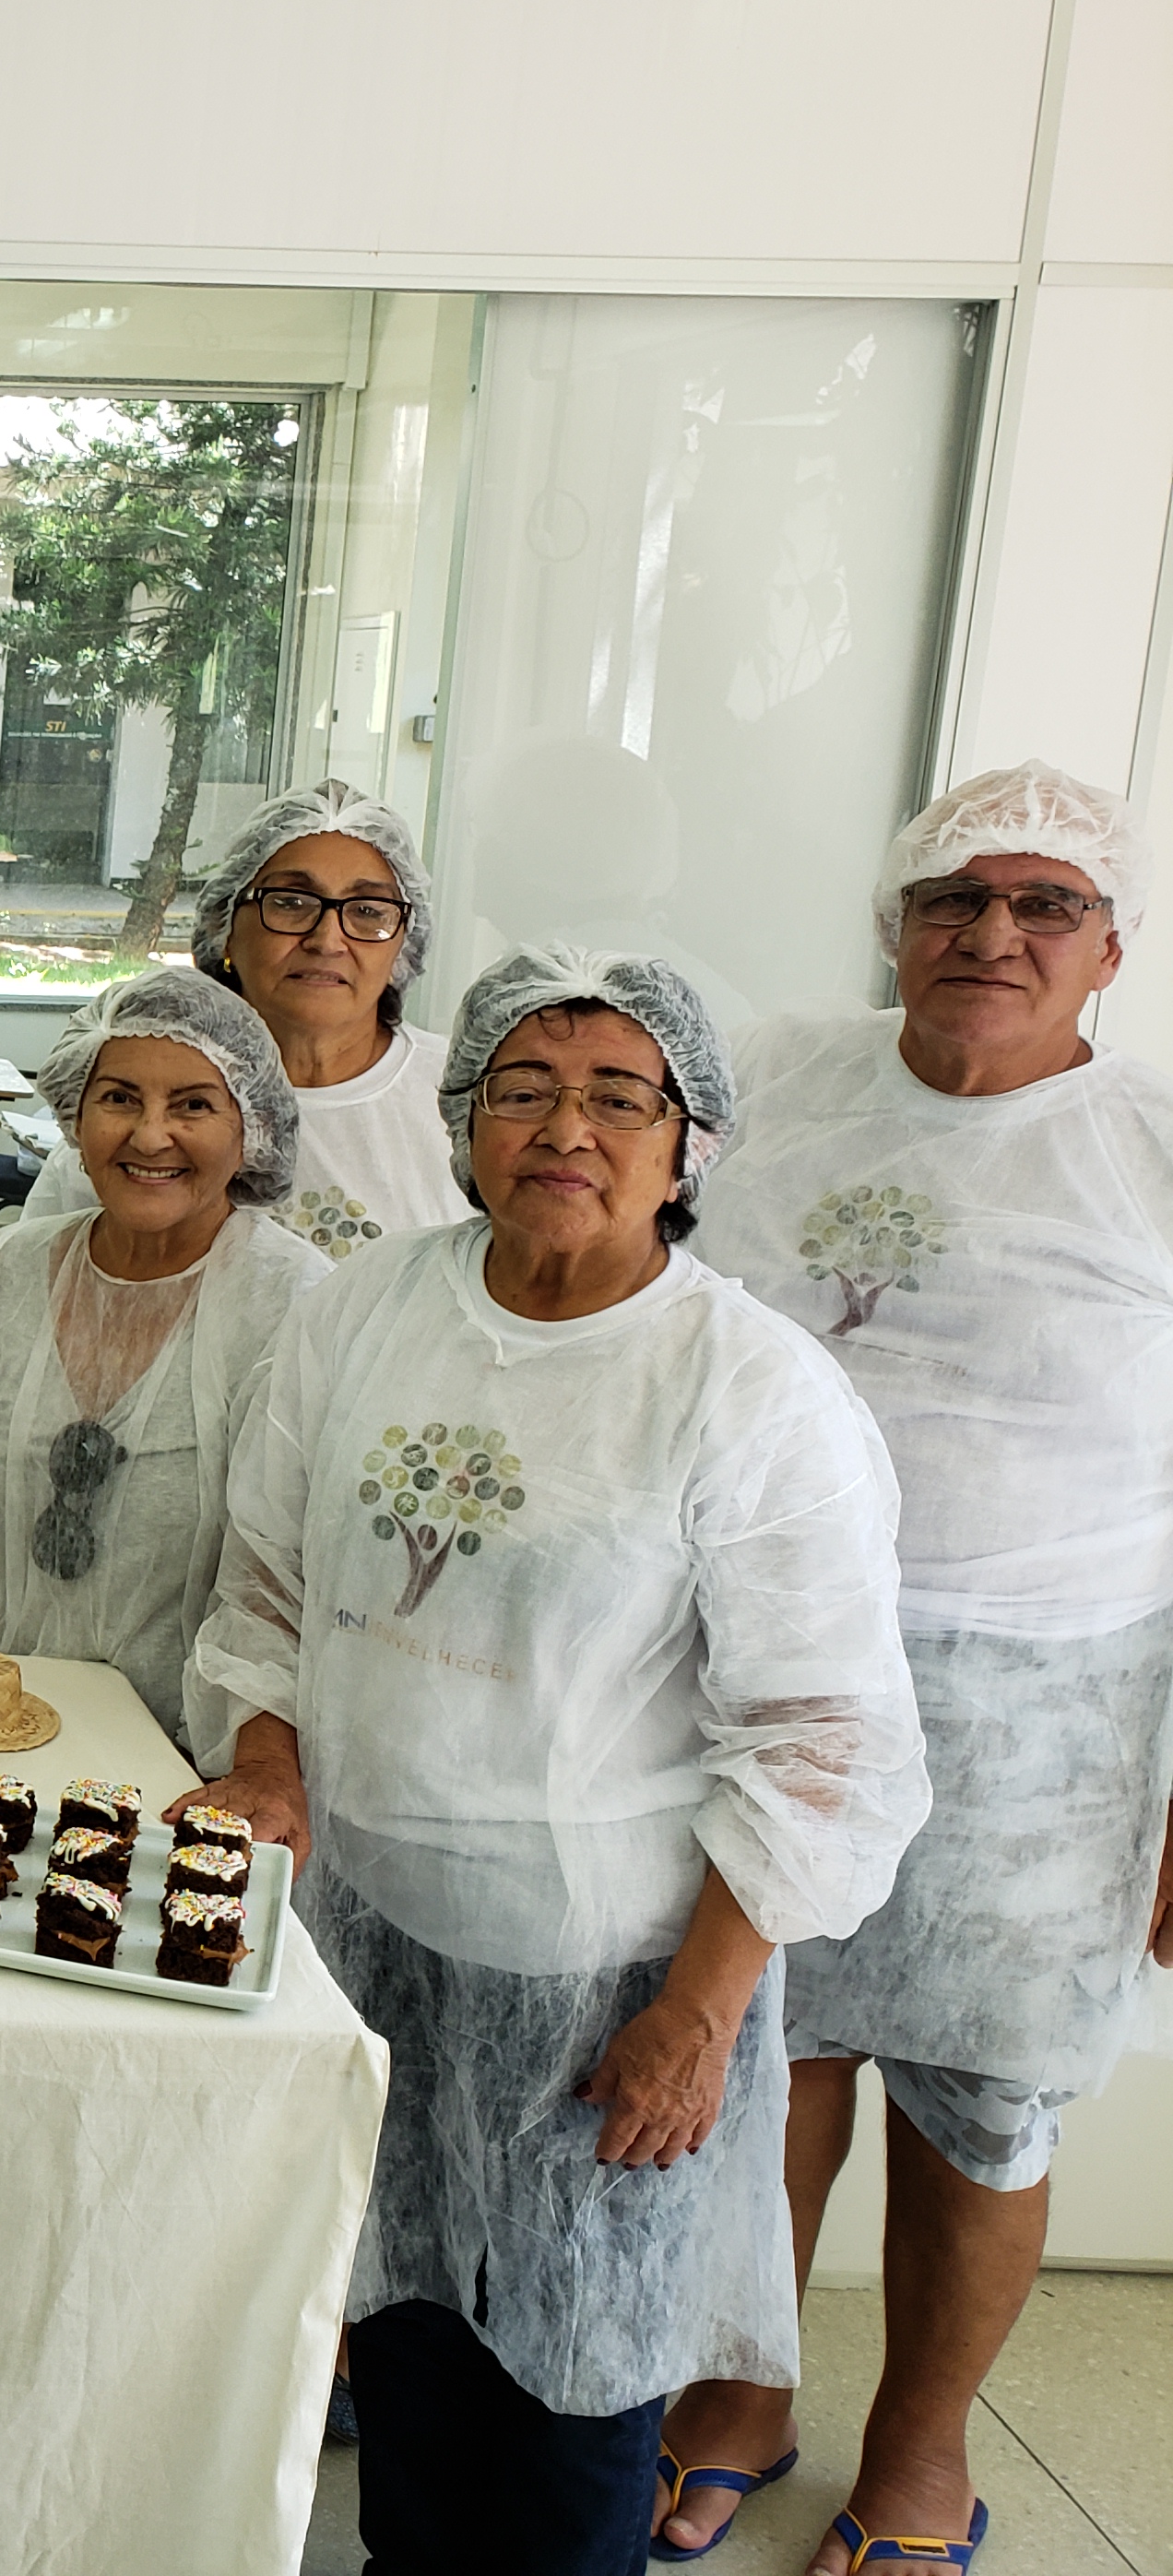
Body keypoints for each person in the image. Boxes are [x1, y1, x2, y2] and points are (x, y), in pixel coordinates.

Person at [181, 944, 924, 2576]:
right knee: (399, 2343)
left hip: (600, 1992)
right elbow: (267, 1586)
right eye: (521, 1085)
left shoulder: (745, 1387)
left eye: (614, 1094)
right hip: (364, 1933)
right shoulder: (366, 1305)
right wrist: (266, 1760)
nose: (563, 1124)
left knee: (570, 2410)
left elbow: (822, 1742)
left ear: (689, 1143)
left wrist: (696, 2013)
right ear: (462, 1122)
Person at [660, 761, 1173, 2570]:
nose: (995, 934)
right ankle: (737, 2389)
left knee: (984, 2099)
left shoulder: (1153, 1145)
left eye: (1046, 906)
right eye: (958, 897)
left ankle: (921, 2462)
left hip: (1048, 1728)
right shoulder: (773, 1081)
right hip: (767, 1670)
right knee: (760, 2054)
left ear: (1110, 947)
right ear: (896, 923)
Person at [0, 969, 325, 1748]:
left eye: (194, 1104)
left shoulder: (293, 1306)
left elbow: (281, 1585)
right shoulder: (9, 1273)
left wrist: (230, 1754)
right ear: (76, 1111)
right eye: (120, 1097)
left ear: (253, 1127)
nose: (149, 1135)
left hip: (189, 1757)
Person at [28, 778, 466, 1260]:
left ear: (405, 941)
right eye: (290, 903)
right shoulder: (136, 1099)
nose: (327, 939)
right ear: (226, 930)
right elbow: (37, 1290)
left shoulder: (464, 1101)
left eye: (368, 911)